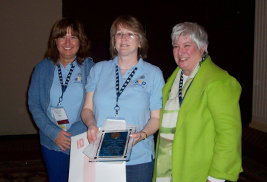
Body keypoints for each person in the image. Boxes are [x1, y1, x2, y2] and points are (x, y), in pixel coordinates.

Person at [153, 22, 242, 182]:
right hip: (170, 168)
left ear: (202, 48)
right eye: (176, 46)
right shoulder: (174, 80)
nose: (180, 52)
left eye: (187, 45)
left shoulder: (219, 81)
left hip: (199, 172)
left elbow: (229, 135)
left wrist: (215, 177)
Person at [81, 15, 165, 182]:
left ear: (140, 42)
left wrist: (142, 135)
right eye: (119, 34)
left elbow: (156, 118)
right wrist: (91, 124)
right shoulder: (98, 70)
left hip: (138, 157)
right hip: (102, 152)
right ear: (114, 41)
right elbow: (87, 109)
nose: (124, 38)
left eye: (130, 34)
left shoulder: (153, 73)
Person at [28, 17, 94, 182]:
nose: (68, 42)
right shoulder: (41, 69)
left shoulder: (91, 68)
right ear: (55, 40)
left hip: (82, 141)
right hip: (52, 142)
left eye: (73, 37)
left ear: (80, 41)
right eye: (62, 36)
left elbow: (96, 104)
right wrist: (54, 133)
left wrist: (74, 135)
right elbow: (34, 104)